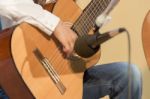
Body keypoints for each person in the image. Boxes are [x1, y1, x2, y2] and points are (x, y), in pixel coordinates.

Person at [0, 0, 142, 99]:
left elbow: (74, 27)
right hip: (14, 75)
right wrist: (56, 26)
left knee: (128, 74)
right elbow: (7, 4)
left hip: (61, 84)